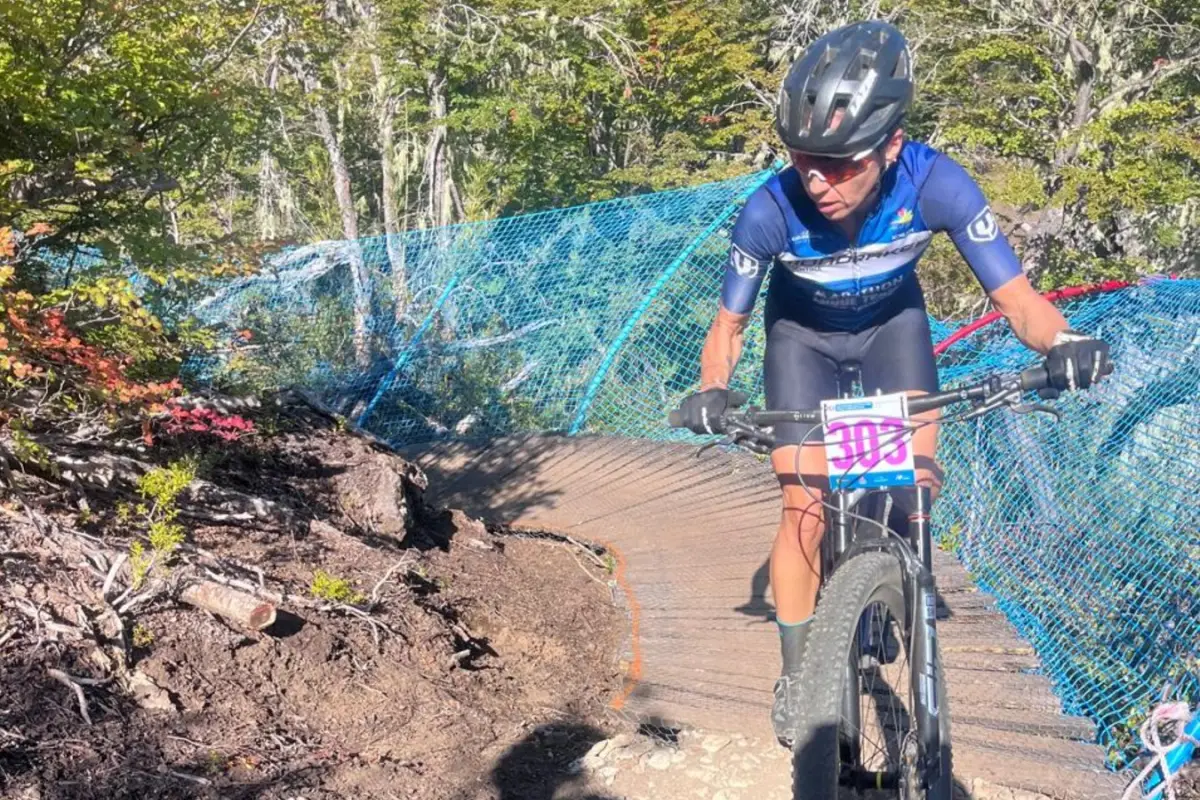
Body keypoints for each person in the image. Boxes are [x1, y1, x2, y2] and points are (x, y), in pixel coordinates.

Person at [673, 20, 1111, 746]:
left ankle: (895, 574)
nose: (818, 180)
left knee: (913, 487)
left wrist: (1066, 342)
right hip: (801, 341)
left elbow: (1018, 302)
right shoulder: (768, 210)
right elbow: (729, 327)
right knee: (803, 506)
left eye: (841, 165)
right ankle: (796, 677)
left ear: (892, 146)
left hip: (891, 333)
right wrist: (713, 389)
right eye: (804, 159)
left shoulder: (938, 184)